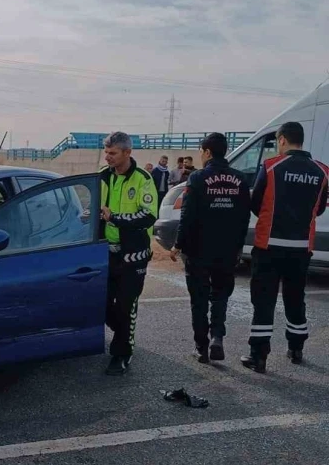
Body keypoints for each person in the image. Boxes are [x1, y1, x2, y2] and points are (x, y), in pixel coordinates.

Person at [241, 121, 328, 372]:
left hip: (269, 245)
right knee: (295, 297)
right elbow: (320, 207)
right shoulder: (322, 171)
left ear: (281, 140)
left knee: (264, 299)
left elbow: (255, 202)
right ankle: (296, 348)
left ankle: (258, 355)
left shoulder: (270, 167)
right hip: (301, 247)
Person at [170, 133, 250, 362]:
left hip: (198, 250)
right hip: (226, 249)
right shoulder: (240, 179)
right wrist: (237, 248)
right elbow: (244, 217)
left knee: (199, 299)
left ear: (206, 152)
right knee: (220, 295)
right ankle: (217, 336)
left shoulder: (197, 178)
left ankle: (201, 346)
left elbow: (187, 215)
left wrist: (178, 244)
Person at [100, 131, 159, 376]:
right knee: (100, 303)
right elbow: (93, 207)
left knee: (126, 305)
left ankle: (122, 352)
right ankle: (122, 332)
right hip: (103, 253)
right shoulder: (102, 177)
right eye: (106, 152)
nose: (107, 157)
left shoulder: (143, 179)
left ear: (127, 152)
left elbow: (148, 216)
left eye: (112, 153)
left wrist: (114, 218)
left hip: (132, 256)